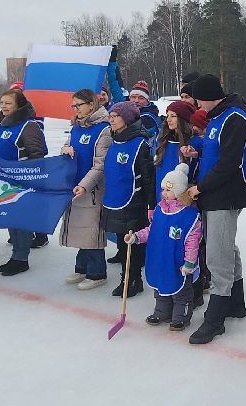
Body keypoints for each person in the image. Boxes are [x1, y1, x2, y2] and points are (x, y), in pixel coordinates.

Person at [185, 74, 246, 345]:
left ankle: (214, 319)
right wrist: (197, 150)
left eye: (197, 99)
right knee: (226, 247)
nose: (196, 105)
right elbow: (215, 147)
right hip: (214, 194)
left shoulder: (234, 117)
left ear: (208, 95)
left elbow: (229, 162)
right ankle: (235, 303)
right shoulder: (217, 117)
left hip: (225, 195)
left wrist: (199, 188)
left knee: (217, 254)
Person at [127, 164, 203, 330]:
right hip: (160, 259)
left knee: (181, 292)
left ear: (179, 191)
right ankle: (162, 312)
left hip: (177, 262)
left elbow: (192, 241)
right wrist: (136, 237)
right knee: (161, 286)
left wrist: (190, 262)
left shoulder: (189, 215)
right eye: (163, 189)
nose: (164, 193)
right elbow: (151, 230)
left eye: (168, 190)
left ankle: (180, 316)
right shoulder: (160, 210)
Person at [0, 88, 48, 276]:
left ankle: (21, 259)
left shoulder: (28, 126)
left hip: (21, 182)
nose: (3, 106)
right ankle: (15, 256)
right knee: (10, 218)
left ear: (19, 105)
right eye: (2, 102)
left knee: (20, 220)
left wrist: (19, 171)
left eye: (8, 103)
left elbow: (38, 154)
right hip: (1, 180)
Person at [99, 101, 155, 298]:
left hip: (134, 202)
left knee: (132, 243)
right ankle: (126, 275)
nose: (111, 120)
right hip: (115, 197)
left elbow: (148, 177)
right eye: (111, 116)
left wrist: (151, 205)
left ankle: (133, 279)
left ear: (128, 119)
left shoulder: (140, 143)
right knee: (123, 243)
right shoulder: (116, 139)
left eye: (116, 116)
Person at [62, 89, 112, 290]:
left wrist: (85, 184)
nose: (75, 109)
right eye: (73, 105)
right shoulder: (76, 127)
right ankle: (82, 266)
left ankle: (97, 271)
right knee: (80, 228)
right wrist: (65, 150)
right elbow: (67, 145)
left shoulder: (104, 130)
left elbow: (100, 164)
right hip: (75, 187)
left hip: (92, 189)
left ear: (91, 104)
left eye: (79, 105)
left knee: (92, 230)